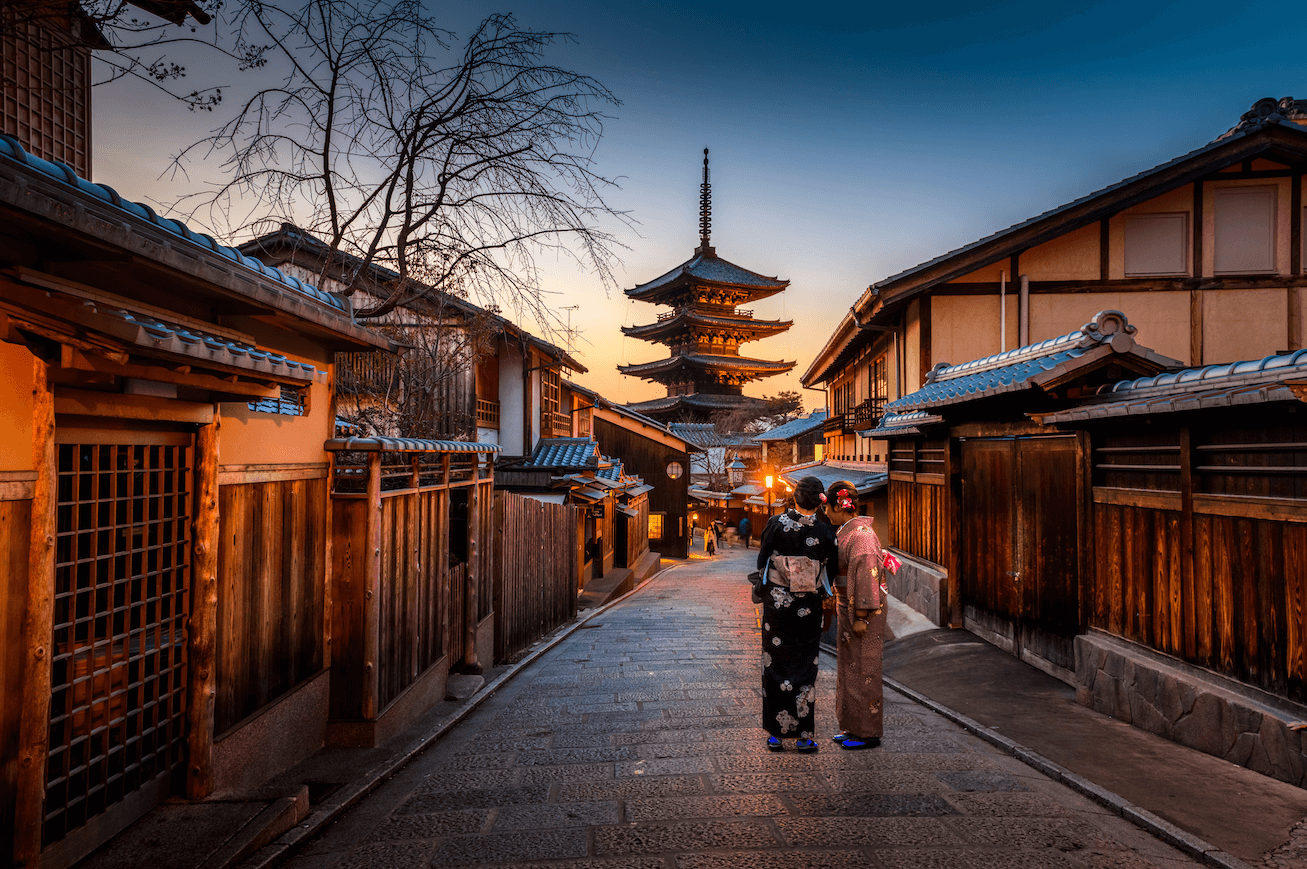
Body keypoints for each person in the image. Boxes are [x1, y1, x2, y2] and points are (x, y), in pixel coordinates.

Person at [755, 476, 838, 753]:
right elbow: (832, 570)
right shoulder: (826, 532)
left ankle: (776, 735)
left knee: (775, 664)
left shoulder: (775, 524)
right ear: (820, 501)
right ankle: (804, 736)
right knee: (804, 666)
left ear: (794, 497)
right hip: (808, 608)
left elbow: (762, 560)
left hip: (778, 607)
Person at [822, 480, 900, 750]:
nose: (825, 513)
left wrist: (862, 617)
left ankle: (867, 732)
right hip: (848, 604)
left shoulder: (862, 536)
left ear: (838, 506)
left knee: (864, 667)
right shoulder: (848, 531)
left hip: (863, 609)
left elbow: (867, 578)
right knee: (849, 665)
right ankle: (852, 725)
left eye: (827, 507)